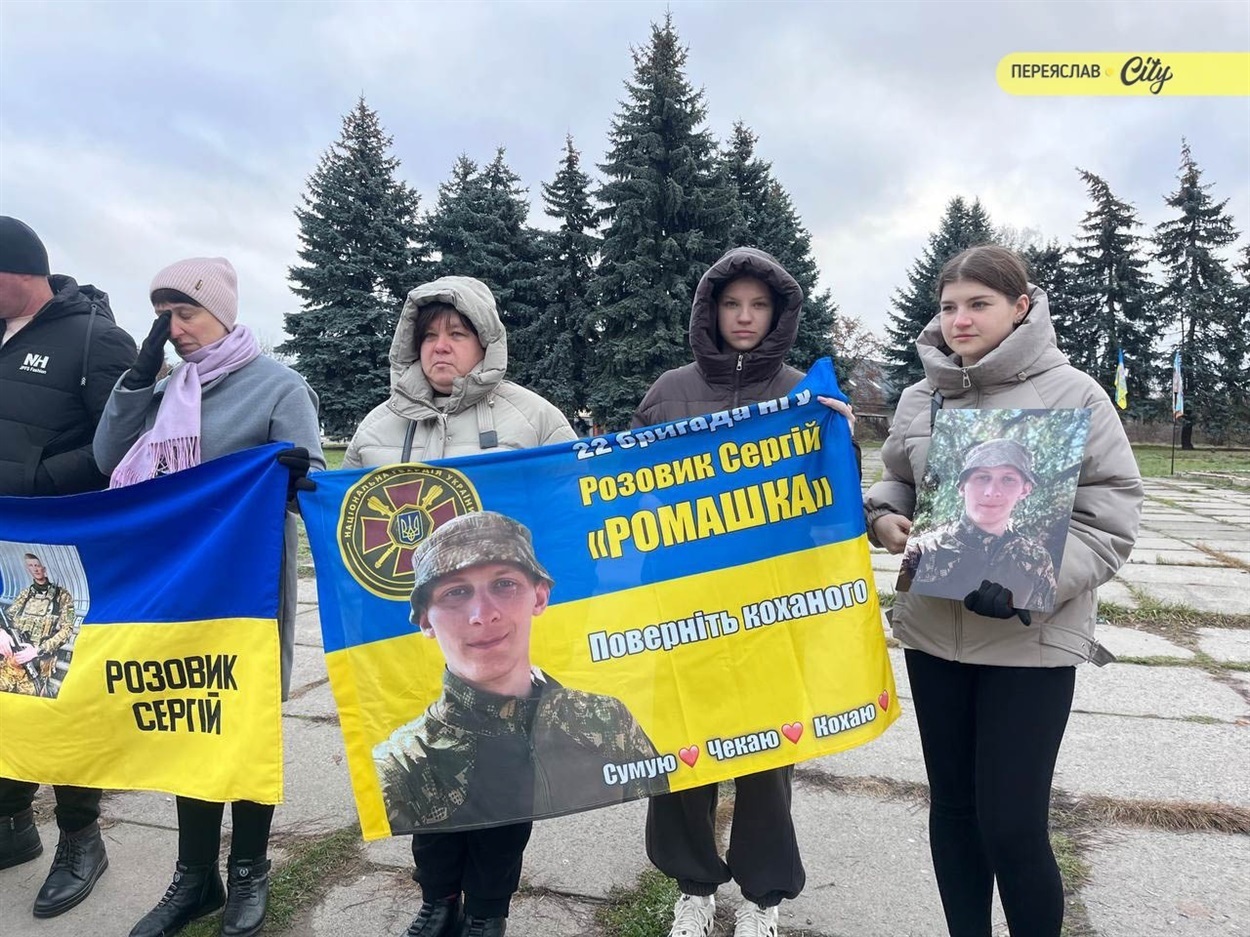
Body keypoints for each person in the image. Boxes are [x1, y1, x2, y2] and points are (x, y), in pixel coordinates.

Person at [863, 245, 1142, 937]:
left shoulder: (1074, 394)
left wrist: (1032, 581)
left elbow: (1109, 518)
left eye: (978, 304)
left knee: (1012, 824)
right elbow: (897, 478)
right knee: (954, 812)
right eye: (949, 306)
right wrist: (885, 516)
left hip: (1029, 643)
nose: (959, 319)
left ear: (1020, 307)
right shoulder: (922, 396)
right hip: (934, 635)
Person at [93, 257, 323, 937]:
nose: (174, 327)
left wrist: (293, 479)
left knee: (244, 723)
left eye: (186, 312)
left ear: (222, 313)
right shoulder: (169, 389)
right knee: (188, 720)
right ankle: (195, 877)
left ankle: (249, 868)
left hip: (247, 592)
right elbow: (109, 456)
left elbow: (309, 486)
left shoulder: (278, 385)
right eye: (163, 316)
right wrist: (136, 380)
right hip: (178, 588)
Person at [632, 246, 855, 937]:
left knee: (767, 756)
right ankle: (694, 887)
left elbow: (833, 500)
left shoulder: (804, 393)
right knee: (681, 749)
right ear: (710, 310)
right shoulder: (668, 392)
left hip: (771, 609)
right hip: (685, 602)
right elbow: (627, 491)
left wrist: (840, 439)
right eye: (732, 303)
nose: (745, 316)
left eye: (760, 304)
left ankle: (764, 897)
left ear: (780, 313)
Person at [345, 275, 576, 937]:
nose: (440, 346)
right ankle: (439, 899)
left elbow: (570, 508)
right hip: (415, 640)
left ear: (485, 341)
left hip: (496, 635)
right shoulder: (378, 427)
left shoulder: (533, 418)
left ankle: (486, 912)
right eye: (428, 335)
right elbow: (347, 528)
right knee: (428, 774)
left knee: (504, 785)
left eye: (456, 333)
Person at [0, 215, 135, 919]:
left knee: (59, 689)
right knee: (4, 687)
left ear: (18, 272)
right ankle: (11, 821)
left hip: (53, 554)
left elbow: (127, 441)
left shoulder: (94, 339)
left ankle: (82, 838)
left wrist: (37, 481)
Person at [375, 510, 666, 830]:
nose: (483, 614)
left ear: (539, 597)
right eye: (455, 592)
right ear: (425, 620)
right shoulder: (400, 768)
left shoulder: (608, 720)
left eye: (504, 584)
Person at [900, 437, 1058, 611]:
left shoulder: (1037, 559)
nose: (992, 492)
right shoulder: (921, 550)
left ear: (1025, 490)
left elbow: (1038, 620)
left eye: (1008, 479)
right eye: (983, 477)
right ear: (962, 487)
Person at [0, 553, 77, 697]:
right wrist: (2, 633)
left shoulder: (62, 596)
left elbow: (67, 629)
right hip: (13, 661)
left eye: (37, 565)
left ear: (45, 568)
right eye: (31, 566)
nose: (35, 569)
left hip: (37, 666)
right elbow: (6, 616)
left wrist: (38, 651)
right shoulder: (26, 594)